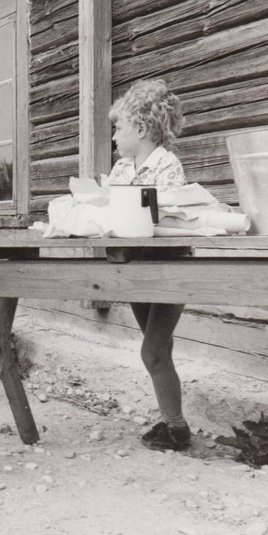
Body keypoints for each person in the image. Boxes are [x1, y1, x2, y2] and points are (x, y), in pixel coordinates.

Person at [105, 79, 190, 452]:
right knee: (158, 350)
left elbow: (171, 216)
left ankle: (178, 428)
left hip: (167, 270)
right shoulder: (123, 169)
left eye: (118, 128)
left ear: (140, 129)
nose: (113, 137)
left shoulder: (167, 166)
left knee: (152, 351)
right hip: (135, 269)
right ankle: (172, 424)